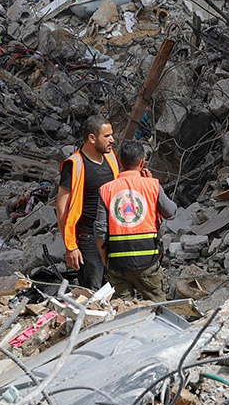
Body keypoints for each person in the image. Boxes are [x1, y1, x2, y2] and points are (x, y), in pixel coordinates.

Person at [97, 140, 177, 301]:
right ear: (142, 162)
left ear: (120, 162)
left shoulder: (105, 190)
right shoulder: (152, 186)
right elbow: (171, 212)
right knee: (158, 309)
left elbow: (99, 230)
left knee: (122, 311)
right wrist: (152, 185)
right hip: (148, 261)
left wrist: (106, 261)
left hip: (117, 263)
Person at [56, 114, 119, 290]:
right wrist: (71, 247)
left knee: (113, 290)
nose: (112, 140)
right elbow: (62, 209)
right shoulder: (75, 164)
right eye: (107, 136)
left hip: (111, 236)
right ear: (92, 138)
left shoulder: (110, 158)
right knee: (92, 292)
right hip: (87, 239)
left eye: (111, 135)